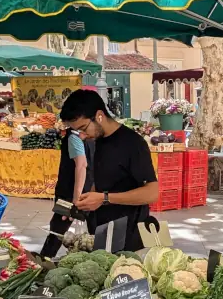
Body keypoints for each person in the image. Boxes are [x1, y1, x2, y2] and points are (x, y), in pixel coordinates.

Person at [61, 89, 159, 250]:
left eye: (84, 128)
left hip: (128, 235)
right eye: (77, 131)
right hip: (101, 232)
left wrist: (104, 198)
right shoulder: (95, 141)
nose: (82, 136)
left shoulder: (133, 144)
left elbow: (152, 193)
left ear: (99, 116)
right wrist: (82, 205)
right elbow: (103, 181)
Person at [41, 123, 95, 258]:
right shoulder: (92, 137)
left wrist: (76, 199)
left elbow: (82, 165)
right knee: (95, 232)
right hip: (90, 191)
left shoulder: (73, 137)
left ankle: (42, 263)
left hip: (70, 194)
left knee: (57, 231)